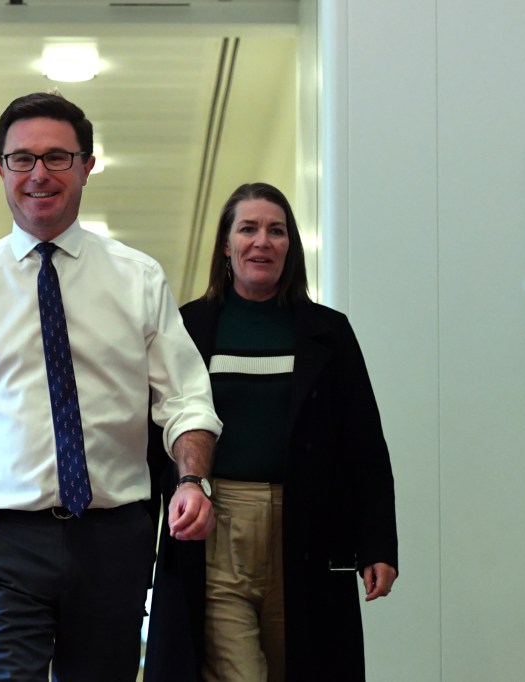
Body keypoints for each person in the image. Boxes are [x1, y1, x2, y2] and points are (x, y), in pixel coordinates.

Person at [0, 91, 222, 682]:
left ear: (86, 166)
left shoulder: (137, 277)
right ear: (0, 169)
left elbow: (186, 400)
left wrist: (192, 479)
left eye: (57, 157)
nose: (38, 174)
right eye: (21, 159)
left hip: (112, 540)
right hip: (0, 542)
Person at [143, 182, 398, 682]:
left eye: (276, 231)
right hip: (217, 526)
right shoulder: (187, 328)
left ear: (290, 246)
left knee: (304, 666)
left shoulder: (330, 331)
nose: (263, 241)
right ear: (226, 245)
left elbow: (364, 444)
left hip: (308, 528)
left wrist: (378, 544)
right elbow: (158, 436)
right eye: (249, 228)